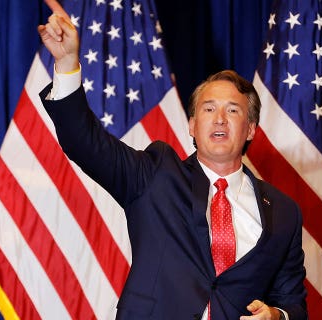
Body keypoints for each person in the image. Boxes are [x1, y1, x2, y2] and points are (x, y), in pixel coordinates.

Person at [37, 1, 307, 319]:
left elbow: (293, 303)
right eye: (208, 109)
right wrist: (68, 63)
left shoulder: (284, 212)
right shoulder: (156, 174)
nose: (220, 119)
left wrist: (277, 315)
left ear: (249, 129)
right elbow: (86, 144)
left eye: (232, 110)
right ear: (192, 125)